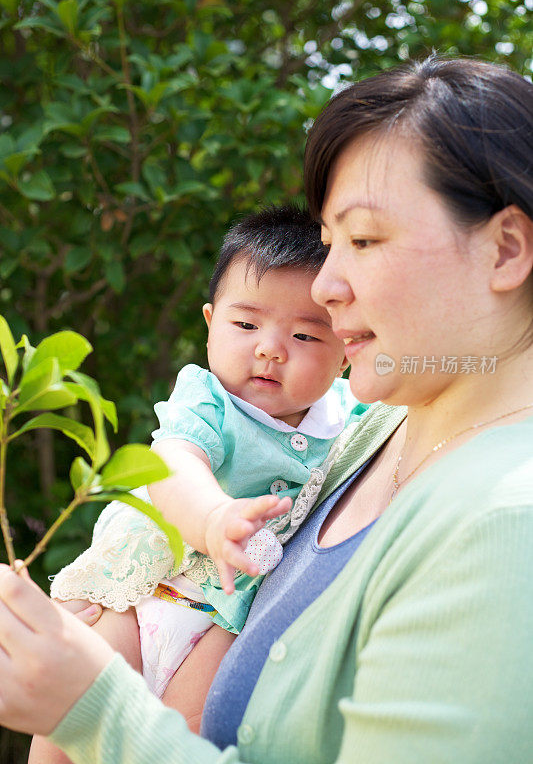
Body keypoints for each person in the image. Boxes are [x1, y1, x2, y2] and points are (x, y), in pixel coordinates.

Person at [0, 54, 532, 764]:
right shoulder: (377, 424)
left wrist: (92, 709)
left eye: (365, 239)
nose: (328, 286)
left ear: (504, 249)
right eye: (328, 245)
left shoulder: (504, 524)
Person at [45, 205, 365, 698]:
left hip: (232, 618)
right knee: (81, 702)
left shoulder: (350, 414)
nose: (271, 349)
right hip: (143, 591)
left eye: (304, 335)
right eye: (246, 326)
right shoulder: (207, 400)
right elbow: (173, 462)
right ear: (211, 323)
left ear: (344, 352)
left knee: (191, 727)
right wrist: (215, 517)